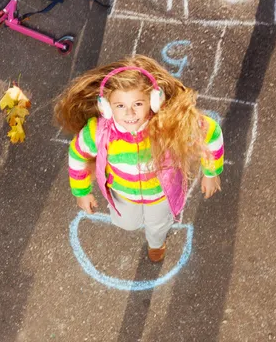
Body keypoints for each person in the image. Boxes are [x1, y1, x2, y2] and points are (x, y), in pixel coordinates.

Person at [54, 55, 224, 262]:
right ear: (106, 107)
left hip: (161, 195)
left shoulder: (167, 125)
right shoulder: (97, 132)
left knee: (158, 225)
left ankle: (156, 244)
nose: (130, 113)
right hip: (123, 194)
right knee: (127, 223)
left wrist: (211, 171)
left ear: (154, 101)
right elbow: (77, 155)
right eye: (120, 106)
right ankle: (140, 226)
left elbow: (212, 133)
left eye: (137, 103)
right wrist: (81, 192)